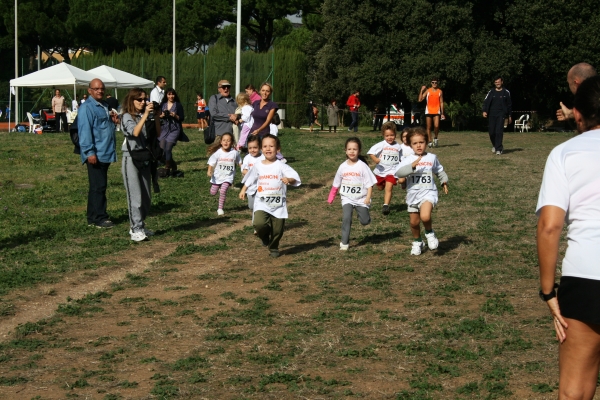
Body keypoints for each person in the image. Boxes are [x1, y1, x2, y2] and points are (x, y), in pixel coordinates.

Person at [537, 75, 600, 399]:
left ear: (578, 114)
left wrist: (548, 293)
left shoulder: (565, 153)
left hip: (587, 276)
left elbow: (550, 226)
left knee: (574, 391)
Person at [239, 134, 301, 258]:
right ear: (261, 149)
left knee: (278, 230)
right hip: (262, 201)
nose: (268, 149)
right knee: (258, 223)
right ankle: (264, 236)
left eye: (271, 146)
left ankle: (274, 247)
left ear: (277, 149)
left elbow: (295, 178)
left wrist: (289, 180)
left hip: (278, 203)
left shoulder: (281, 165)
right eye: (265, 146)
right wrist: (243, 189)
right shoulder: (258, 165)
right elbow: (250, 178)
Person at [395, 127, 449, 255]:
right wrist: (411, 166)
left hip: (428, 192)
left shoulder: (432, 157)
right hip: (413, 195)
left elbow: (439, 170)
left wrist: (444, 182)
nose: (418, 145)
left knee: (425, 216)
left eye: (421, 142)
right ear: (410, 145)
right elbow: (399, 173)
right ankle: (417, 241)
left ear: (426, 142)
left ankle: (429, 233)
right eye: (415, 143)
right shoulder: (407, 160)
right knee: (414, 223)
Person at [77, 78, 118, 228]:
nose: (100, 91)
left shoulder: (104, 106)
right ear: (89, 91)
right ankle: (98, 218)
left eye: (102, 88)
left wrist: (113, 121)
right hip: (96, 153)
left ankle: (93, 216)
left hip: (105, 152)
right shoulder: (87, 108)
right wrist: (89, 152)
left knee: (99, 185)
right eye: (96, 89)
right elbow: (85, 131)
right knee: (98, 186)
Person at [120, 88, 160, 242]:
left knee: (146, 197)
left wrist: (155, 117)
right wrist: (145, 115)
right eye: (139, 100)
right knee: (135, 196)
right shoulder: (126, 117)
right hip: (130, 158)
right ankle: (135, 229)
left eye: (144, 99)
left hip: (144, 157)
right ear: (131, 100)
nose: (143, 102)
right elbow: (135, 133)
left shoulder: (145, 116)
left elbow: (157, 132)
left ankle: (140, 225)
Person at [328, 137, 376, 251]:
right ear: (345, 150)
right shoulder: (342, 166)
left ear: (359, 151)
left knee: (365, 221)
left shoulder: (362, 166)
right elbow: (336, 184)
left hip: (361, 198)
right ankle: (344, 242)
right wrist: (331, 197)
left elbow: (370, 184)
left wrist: (368, 197)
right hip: (347, 198)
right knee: (346, 218)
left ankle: (363, 215)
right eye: (349, 149)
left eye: (355, 149)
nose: (352, 151)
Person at [368, 122, 403, 216]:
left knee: (389, 187)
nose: (390, 137)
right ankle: (381, 184)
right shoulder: (381, 145)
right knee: (380, 188)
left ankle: (386, 205)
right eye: (387, 135)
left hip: (392, 171)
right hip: (381, 171)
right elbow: (371, 152)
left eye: (392, 135)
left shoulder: (398, 147)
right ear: (383, 135)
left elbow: (401, 158)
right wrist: (375, 159)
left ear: (395, 135)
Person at [207, 132, 242, 216]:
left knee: (223, 191)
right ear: (221, 142)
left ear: (232, 142)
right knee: (213, 192)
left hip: (228, 177)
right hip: (217, 176)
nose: (226, 142)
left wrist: (243, 169)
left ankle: (220, 208)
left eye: (228, 140)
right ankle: (218, 187)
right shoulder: (218, 153)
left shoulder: (235, 153)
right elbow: (211, 163)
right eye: (224, 140)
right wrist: (209, 171)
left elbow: (239, 162)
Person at [159, 88, 187, 177]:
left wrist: (175, 115)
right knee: (162, 149)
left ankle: (167, 168)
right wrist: (162, 115)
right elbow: (158, 116)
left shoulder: (178, 105)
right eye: (169, 94)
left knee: (168, 148)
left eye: (172, 94)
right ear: (166, 95)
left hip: (174, 129)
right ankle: (173, 164)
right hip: (164, 129)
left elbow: (181, 118)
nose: (171, 96)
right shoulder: (162, 104)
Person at [482, 76, 512, 155]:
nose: (497, 84)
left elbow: (509, 105)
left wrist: (509, 116)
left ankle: (498, 149)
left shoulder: (506, 92)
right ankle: (495, 145)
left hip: (501, 114)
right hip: (491, 114)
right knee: (491, 132)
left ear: (502, 82)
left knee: (499, 131)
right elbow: (486, 102)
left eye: (498, 82)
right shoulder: (491, 92)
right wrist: (484, 111)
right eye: (496, 82)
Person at [241, 135, 265, 224]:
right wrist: (247, 172)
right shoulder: (247, 158)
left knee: (258, 205)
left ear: (260, 147)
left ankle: (256, 224)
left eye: (255, 147)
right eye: (250, 148)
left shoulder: (263, 157)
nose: (252, 150)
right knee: (251, 206)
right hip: (250, 187)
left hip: (261, 186)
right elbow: (244, 170)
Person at [418, 78, 445, 147]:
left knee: (436, 126)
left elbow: (441, 102)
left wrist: (442, 113)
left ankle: (435, 138)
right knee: (429, 127)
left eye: (435, 82)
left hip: (436, 111)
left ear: (437, 83)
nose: (434, 84)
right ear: (431, 83)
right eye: (433, 82)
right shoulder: (428, 91)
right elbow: (420, 100)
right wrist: (421, 91)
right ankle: (429, 140)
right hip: (429, 110)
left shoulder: (440, 91)